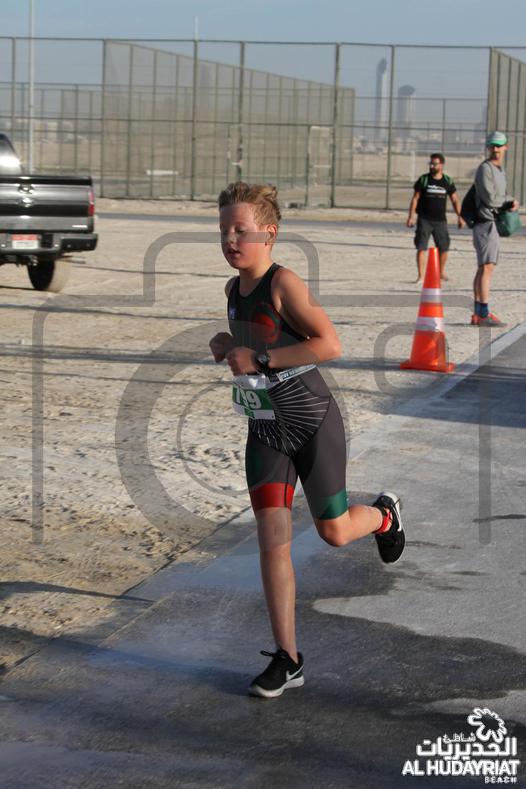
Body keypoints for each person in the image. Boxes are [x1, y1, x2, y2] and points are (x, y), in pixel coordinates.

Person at [209, 182, 406, 699]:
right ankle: (288, 658)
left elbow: (329, 344)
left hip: (313, 422)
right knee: (272, 543)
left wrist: (259, 358)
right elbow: (254, 347)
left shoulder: (284, 283)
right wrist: (229, 344)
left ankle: (384, 516)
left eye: (240, 230)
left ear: (269, 234)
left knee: (334, 532)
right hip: (265, 430)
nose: (230, 239)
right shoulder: (232, 291)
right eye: (224, 230)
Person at [471, 131, 520, 327]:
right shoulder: (485, 169)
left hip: (491, 222)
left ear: (505, 147)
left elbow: (499, 195)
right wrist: (508, 202)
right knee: (487, 267)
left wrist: (509, 201)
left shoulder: (499, 169)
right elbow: (490, 198)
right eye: (493, 145)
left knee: (484, 267)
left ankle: (478, 313)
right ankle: (483, 313)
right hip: (484, 221)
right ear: (488, 147)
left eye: (499, 145)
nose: (496, 149)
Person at [406, 153, 464, 283]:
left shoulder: (447, 181)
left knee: (444, 248)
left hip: (440, 221)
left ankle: (441, 272)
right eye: (430, 163)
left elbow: (455, 200)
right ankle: (421, 276)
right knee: (421, 247)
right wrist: (411, 217)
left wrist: (460, 217)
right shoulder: (424, 179)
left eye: (434, 164)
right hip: (424, 219)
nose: (431, 166)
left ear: (441, 165)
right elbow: (415, 199)